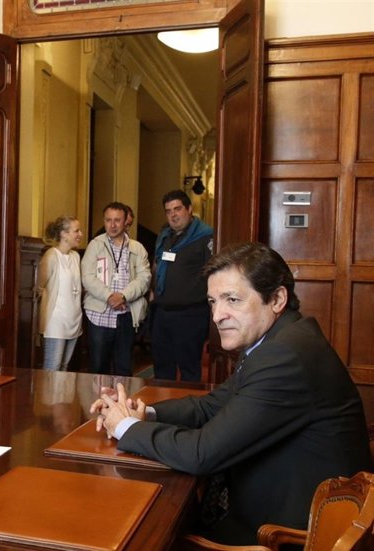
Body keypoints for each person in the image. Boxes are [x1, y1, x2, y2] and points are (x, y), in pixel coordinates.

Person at [90, 242, 371, 545]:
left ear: (277, 299)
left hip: (286, 536)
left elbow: (201, 454)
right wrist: (143, 411)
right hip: (272, 508)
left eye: (232, 300)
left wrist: (125, 427)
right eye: (213, 302)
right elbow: (212, 406)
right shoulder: (279, 340)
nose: (217, 315)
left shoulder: (284, 356)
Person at [81, 203, 150, 375]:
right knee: (98, 367)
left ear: (126, 222)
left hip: (127, 315)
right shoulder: (95, 245)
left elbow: (144, 278)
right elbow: (87, 277)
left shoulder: (137, 248)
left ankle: (121, 395)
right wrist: (110, 297)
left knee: (124, 368)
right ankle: (99, 394)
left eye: (117, 220)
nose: (112, 225)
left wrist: (123, 296)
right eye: (108, 220)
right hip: (99, 315)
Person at [151, 189, 213, 381]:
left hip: (190, 315)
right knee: (162, 367)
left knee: (189, 368)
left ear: (189, 209)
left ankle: (188, 401)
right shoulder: (165, 236)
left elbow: (213, 274)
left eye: (177, 209)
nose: (173, 215)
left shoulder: (205, 237)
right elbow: (157, 265)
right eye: (168, 211)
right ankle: (161, 400)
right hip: (163, 313)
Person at [37, 216, 83, 370]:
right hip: (56, 322)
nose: (80, 234)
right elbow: (40, 286)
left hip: (73, 320)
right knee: (52, 367)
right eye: (76, 231)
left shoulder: (75, 256)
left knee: (64, 367)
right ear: (64, 234)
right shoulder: (51, 255)